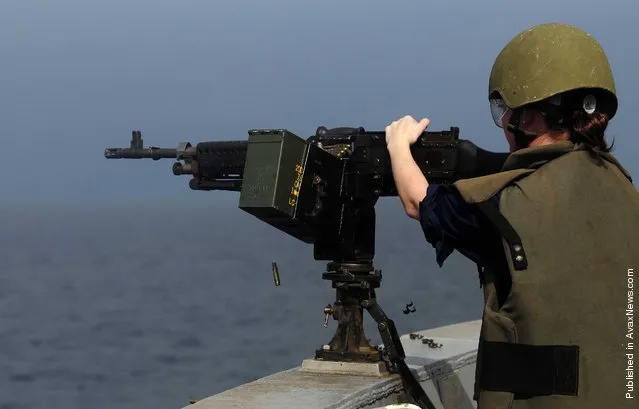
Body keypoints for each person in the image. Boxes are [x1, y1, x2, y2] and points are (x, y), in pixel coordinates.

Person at [385, 22, 639, 409]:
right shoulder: (624, 189)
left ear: (531, 118)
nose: (504, 122)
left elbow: (421, 204)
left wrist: (398, 146)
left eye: (507, 110)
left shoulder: (509, 205)